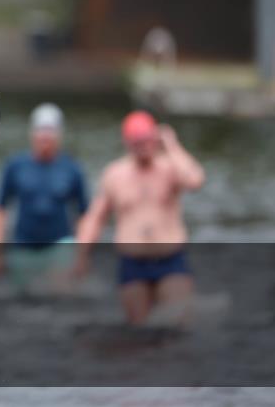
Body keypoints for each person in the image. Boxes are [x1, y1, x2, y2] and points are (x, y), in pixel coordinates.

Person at [72, 111, 205, 325]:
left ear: (155, 139)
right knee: (139, 331)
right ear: (127, 143)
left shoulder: (170, 168)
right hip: (133, 263)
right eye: (137, 142)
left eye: (147, 141)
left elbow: (195, 180)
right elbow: (95, 218)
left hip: (170, 260)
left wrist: (172, 145)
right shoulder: (115, 174)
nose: (143, 147)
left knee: (178, 325)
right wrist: (81, 255)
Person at [0, 103, 88, 294]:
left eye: (50, 132)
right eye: (41, 131)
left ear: (59, 135)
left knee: (57, 294)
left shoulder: (72, 169)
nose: (45, 137)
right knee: (25, 299)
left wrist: (82, 254)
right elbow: (1, 209)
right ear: (32, 134)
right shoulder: (15, 166)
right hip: (23, 244)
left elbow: (84, 214)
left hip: (59, 243)